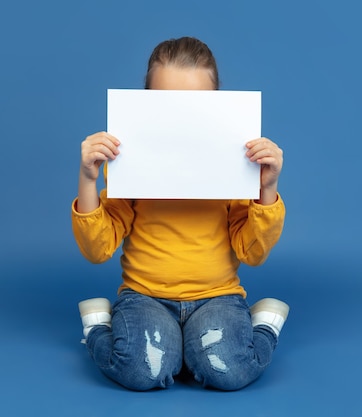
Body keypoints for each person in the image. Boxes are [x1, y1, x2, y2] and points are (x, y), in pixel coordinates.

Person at [71, 36, 288, 391]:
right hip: (146, 296)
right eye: (167, 106)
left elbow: (254, 253)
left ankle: (264, 326)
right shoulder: (132, 166)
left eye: (195, 108)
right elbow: (97, 251)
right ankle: (97, 328)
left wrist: (266, 189)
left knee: (228, 369)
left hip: (218, 297)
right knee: (143, 371)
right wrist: (88, 179)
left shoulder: (235, 168)